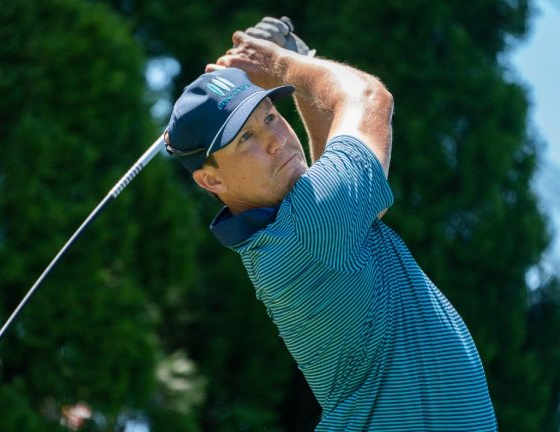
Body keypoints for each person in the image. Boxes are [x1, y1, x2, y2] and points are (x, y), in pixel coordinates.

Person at [164, 17, 498, 431]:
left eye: (269, 116)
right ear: (211, 180)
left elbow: (360, 204)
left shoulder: (293, 227)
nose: (275, 139)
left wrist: (301, 62)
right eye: (246, 139)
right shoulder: (306, 228)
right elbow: (370, 97)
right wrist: (282, 64)